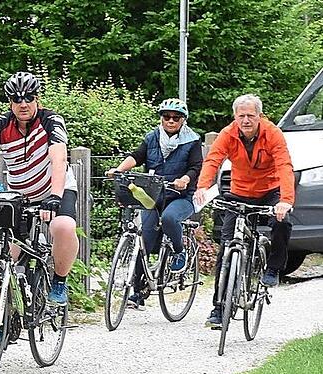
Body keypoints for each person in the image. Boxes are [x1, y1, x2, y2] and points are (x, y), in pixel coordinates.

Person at [0, 71, 79, 319]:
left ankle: (59, 281)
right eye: (17, 99)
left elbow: (59, 157)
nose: (23, 104)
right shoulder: (1, 125)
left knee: (63, 226)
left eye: (29, 98)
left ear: (37, 98)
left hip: (55, 187)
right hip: (20, 194)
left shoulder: (51, 121)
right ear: (10, 102)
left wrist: (54, 196)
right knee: (5, 253)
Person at [194, 94, 294, 328]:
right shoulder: (228, 134)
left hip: (270, 189)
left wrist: (285, 200)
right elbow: (212, 160)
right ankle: (218, 308)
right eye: (242, 116)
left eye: (251, 115)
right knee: (226, 246)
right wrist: (202, 187)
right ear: (235, 117)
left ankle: (273, 267)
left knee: (282, 222)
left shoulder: (272, 134)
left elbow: (284, 165)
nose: (246, 120)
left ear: (259, 116)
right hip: (239, 190)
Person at [107, 98, 202, 309]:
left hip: (180, 197)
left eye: (175, 118)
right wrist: (119, 170)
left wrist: (184, 180)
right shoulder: (152, 137)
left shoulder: (192, 141)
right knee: (145, 239)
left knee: (169, 218)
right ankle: (138, 293)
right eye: (166, 117)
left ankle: (179, 252)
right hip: (153, 196)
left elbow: (196, 167)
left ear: (183, 120)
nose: (170, 121)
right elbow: (137, 156)